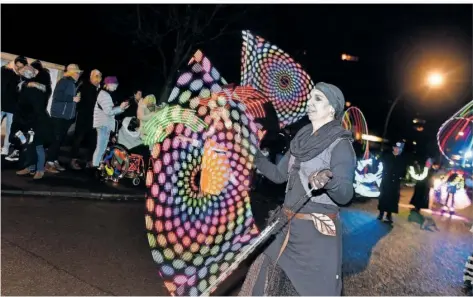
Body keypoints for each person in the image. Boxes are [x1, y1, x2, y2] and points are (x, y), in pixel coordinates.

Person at [239, 82, 356, 296]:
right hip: (285, 226)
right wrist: (253, 154)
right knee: (262, 280)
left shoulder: (340, 145)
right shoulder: (300, 140)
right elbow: (278, 175)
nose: (310, 103)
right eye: (310, 98)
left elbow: (346, 194)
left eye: (318, 99)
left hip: (315, 237)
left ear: (332, 109)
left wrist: (327, 181)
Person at [13, 62, 51, 179]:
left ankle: (40, 170)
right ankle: (31, 167)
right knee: (31, 145)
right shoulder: (26, 87)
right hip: (30, 120)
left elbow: (36, 107)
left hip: (37, 120)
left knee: (38, 145)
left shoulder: (33, 89)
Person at [46, 64, 83, 173]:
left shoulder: (72, 84)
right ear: (72, 73)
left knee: (60, 140)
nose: (78, 75)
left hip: (66, 117)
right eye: (77, 72)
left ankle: (54, 160)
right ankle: (49, 163)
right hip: (59, 116)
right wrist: (72, 98)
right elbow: (57, 96)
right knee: (56, 139)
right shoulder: (64, 81)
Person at [92, 76, 129, 169]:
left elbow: (110, 110)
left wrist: (122, 108)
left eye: (116, 85)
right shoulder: (104, 94)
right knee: (101, 147)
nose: (115, 87)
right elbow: (109, 111)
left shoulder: (105, 94)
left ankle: (98, 165)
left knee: (102, 147)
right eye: (114, 85)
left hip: (104, 124)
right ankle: (95, 165)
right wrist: (120, 107)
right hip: (103, 123)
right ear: (107, 84)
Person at [70, 69, 102, 170]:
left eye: (100, 77)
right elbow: (89, 101)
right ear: (91, 76)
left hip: (94, 118)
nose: (98, 79)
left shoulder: (98, 89)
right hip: (84, 117)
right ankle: (73, 160)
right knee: (78, 138)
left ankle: (90, 161)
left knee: (93, 140)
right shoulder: (85, 86)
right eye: (96, 76)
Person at [2, 55, 27, 160]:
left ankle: (5, 149)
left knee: (9, 130)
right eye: (17, 66)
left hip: (13, 108)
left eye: (20, 67)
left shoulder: (24, 78)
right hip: (1, 105)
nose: (18, 68)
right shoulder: (6, 71)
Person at [377, 141, 407, 223]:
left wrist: (401, 177)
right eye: (395, 148)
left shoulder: (401, 159)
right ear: (393, 148)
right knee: (383, 197)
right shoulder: (387, 156)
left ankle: (389, 215)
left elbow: (403, 170)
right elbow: (378, 163)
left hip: (395, 182)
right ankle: (381, 213)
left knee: (392, 198)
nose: (397, 149)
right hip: (386, 181)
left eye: (399, 148)